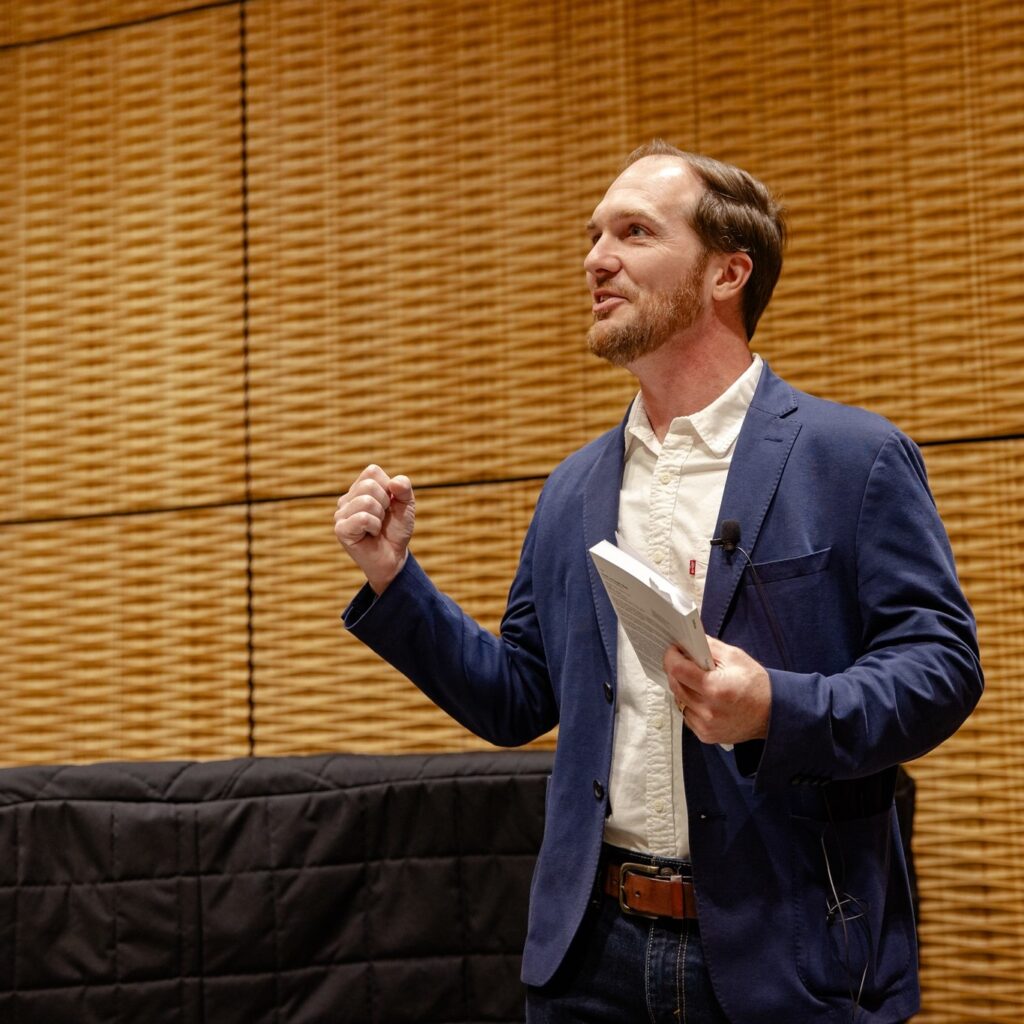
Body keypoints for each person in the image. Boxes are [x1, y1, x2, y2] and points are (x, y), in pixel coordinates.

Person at [333, 140, 982, 1023]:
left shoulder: (853, 458)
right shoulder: (574, 488)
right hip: (590, 957)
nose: (595, 259)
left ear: (727, 273)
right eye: (594, 235)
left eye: (634, 232)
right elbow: (517, 698)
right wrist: (393, 579)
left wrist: (774, 708)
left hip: (786, 953)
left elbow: (941, 668)